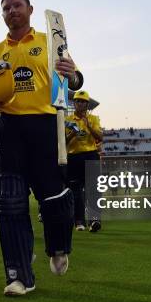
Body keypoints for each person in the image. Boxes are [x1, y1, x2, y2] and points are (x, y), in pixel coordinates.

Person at [0, 0, 83, 296]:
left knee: (53, 200)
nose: (12, 10)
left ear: (30, 9)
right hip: (10, 128)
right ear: (2, 15)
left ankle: (58, 247)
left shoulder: (50, 43)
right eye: (6, 8)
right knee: (9, 203)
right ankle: (19, 275)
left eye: (17, 5)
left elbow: (75, 83)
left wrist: (73, 75)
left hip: (45, 125)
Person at [65, 90, 103, 233]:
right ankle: (79, 221)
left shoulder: (93, 119)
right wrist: (73, 133)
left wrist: (89, 126)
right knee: (75, 191)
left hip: (91, 154)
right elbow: (63, 141)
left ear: (87, 104)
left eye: (83, 102)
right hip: (74, 157)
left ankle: (94, 220)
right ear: (74, 103)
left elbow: (100, 137)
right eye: (78, 101)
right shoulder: (67, 120)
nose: (80, 104)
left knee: (93, 189)